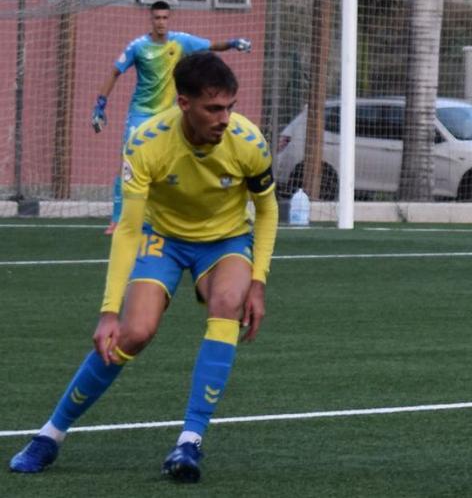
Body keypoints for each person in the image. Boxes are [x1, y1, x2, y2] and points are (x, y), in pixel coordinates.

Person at [10, 52, 278, 484]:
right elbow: (129, 229)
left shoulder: (249, 141)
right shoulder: (147, 142)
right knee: (133, 334)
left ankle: (189, 442)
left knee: (228, 302)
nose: (225, 118)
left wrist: (259, 281)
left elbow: (266, 211)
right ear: (183, 102)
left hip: (225, 241)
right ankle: (50, 434)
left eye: (229, 106)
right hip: (164, 239)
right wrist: (108, 311)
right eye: (214, 108)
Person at [93, 0, 252, 235]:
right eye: (157, 18)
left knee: (175, 159)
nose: (161, 22)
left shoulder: (180, 41)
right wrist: (100, 105)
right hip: (141, 113)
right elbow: (115, 72)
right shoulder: (138, 47)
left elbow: (209, 45)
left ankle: (165, 212)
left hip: (169, 115)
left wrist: (232, 43)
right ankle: (118, 218)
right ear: (151, 19)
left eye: (165, 18)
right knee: (128, 162)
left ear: (170, 19)